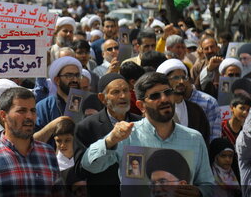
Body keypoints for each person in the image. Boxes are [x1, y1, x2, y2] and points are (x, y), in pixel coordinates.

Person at [81, 72, 214, 196]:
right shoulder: (127, 136)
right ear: (141, 106)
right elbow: (90, 165)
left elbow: (208, 185)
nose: (164, 99)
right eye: (155, 96)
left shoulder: (194, 138)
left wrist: (199, 193)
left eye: (167, 93)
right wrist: (110, 141)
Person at [0, 87, 64, 196]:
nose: (29, 116)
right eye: (21, 111)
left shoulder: (47, 153)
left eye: (33, 110)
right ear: (3, 115)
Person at [74, 73, 142, 197]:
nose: (123, 96)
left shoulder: (140, 123)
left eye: (125, 90)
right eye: (116, 92)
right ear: (102, 98)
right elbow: (81, 170)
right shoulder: (86, 127)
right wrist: (108, 143)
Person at [157, 58, 220, 141]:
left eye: (184, 77)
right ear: (164, 81)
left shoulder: (196, 110)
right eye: (176, 77)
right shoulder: (157, 108)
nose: (181, 81)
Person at [36, 57, 82, 142]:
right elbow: (32, 140)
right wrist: (51, 127)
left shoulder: (87, 103)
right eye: (69, 76)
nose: (75, 80)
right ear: (57, 80)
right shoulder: (43, 106)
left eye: (77, 75)